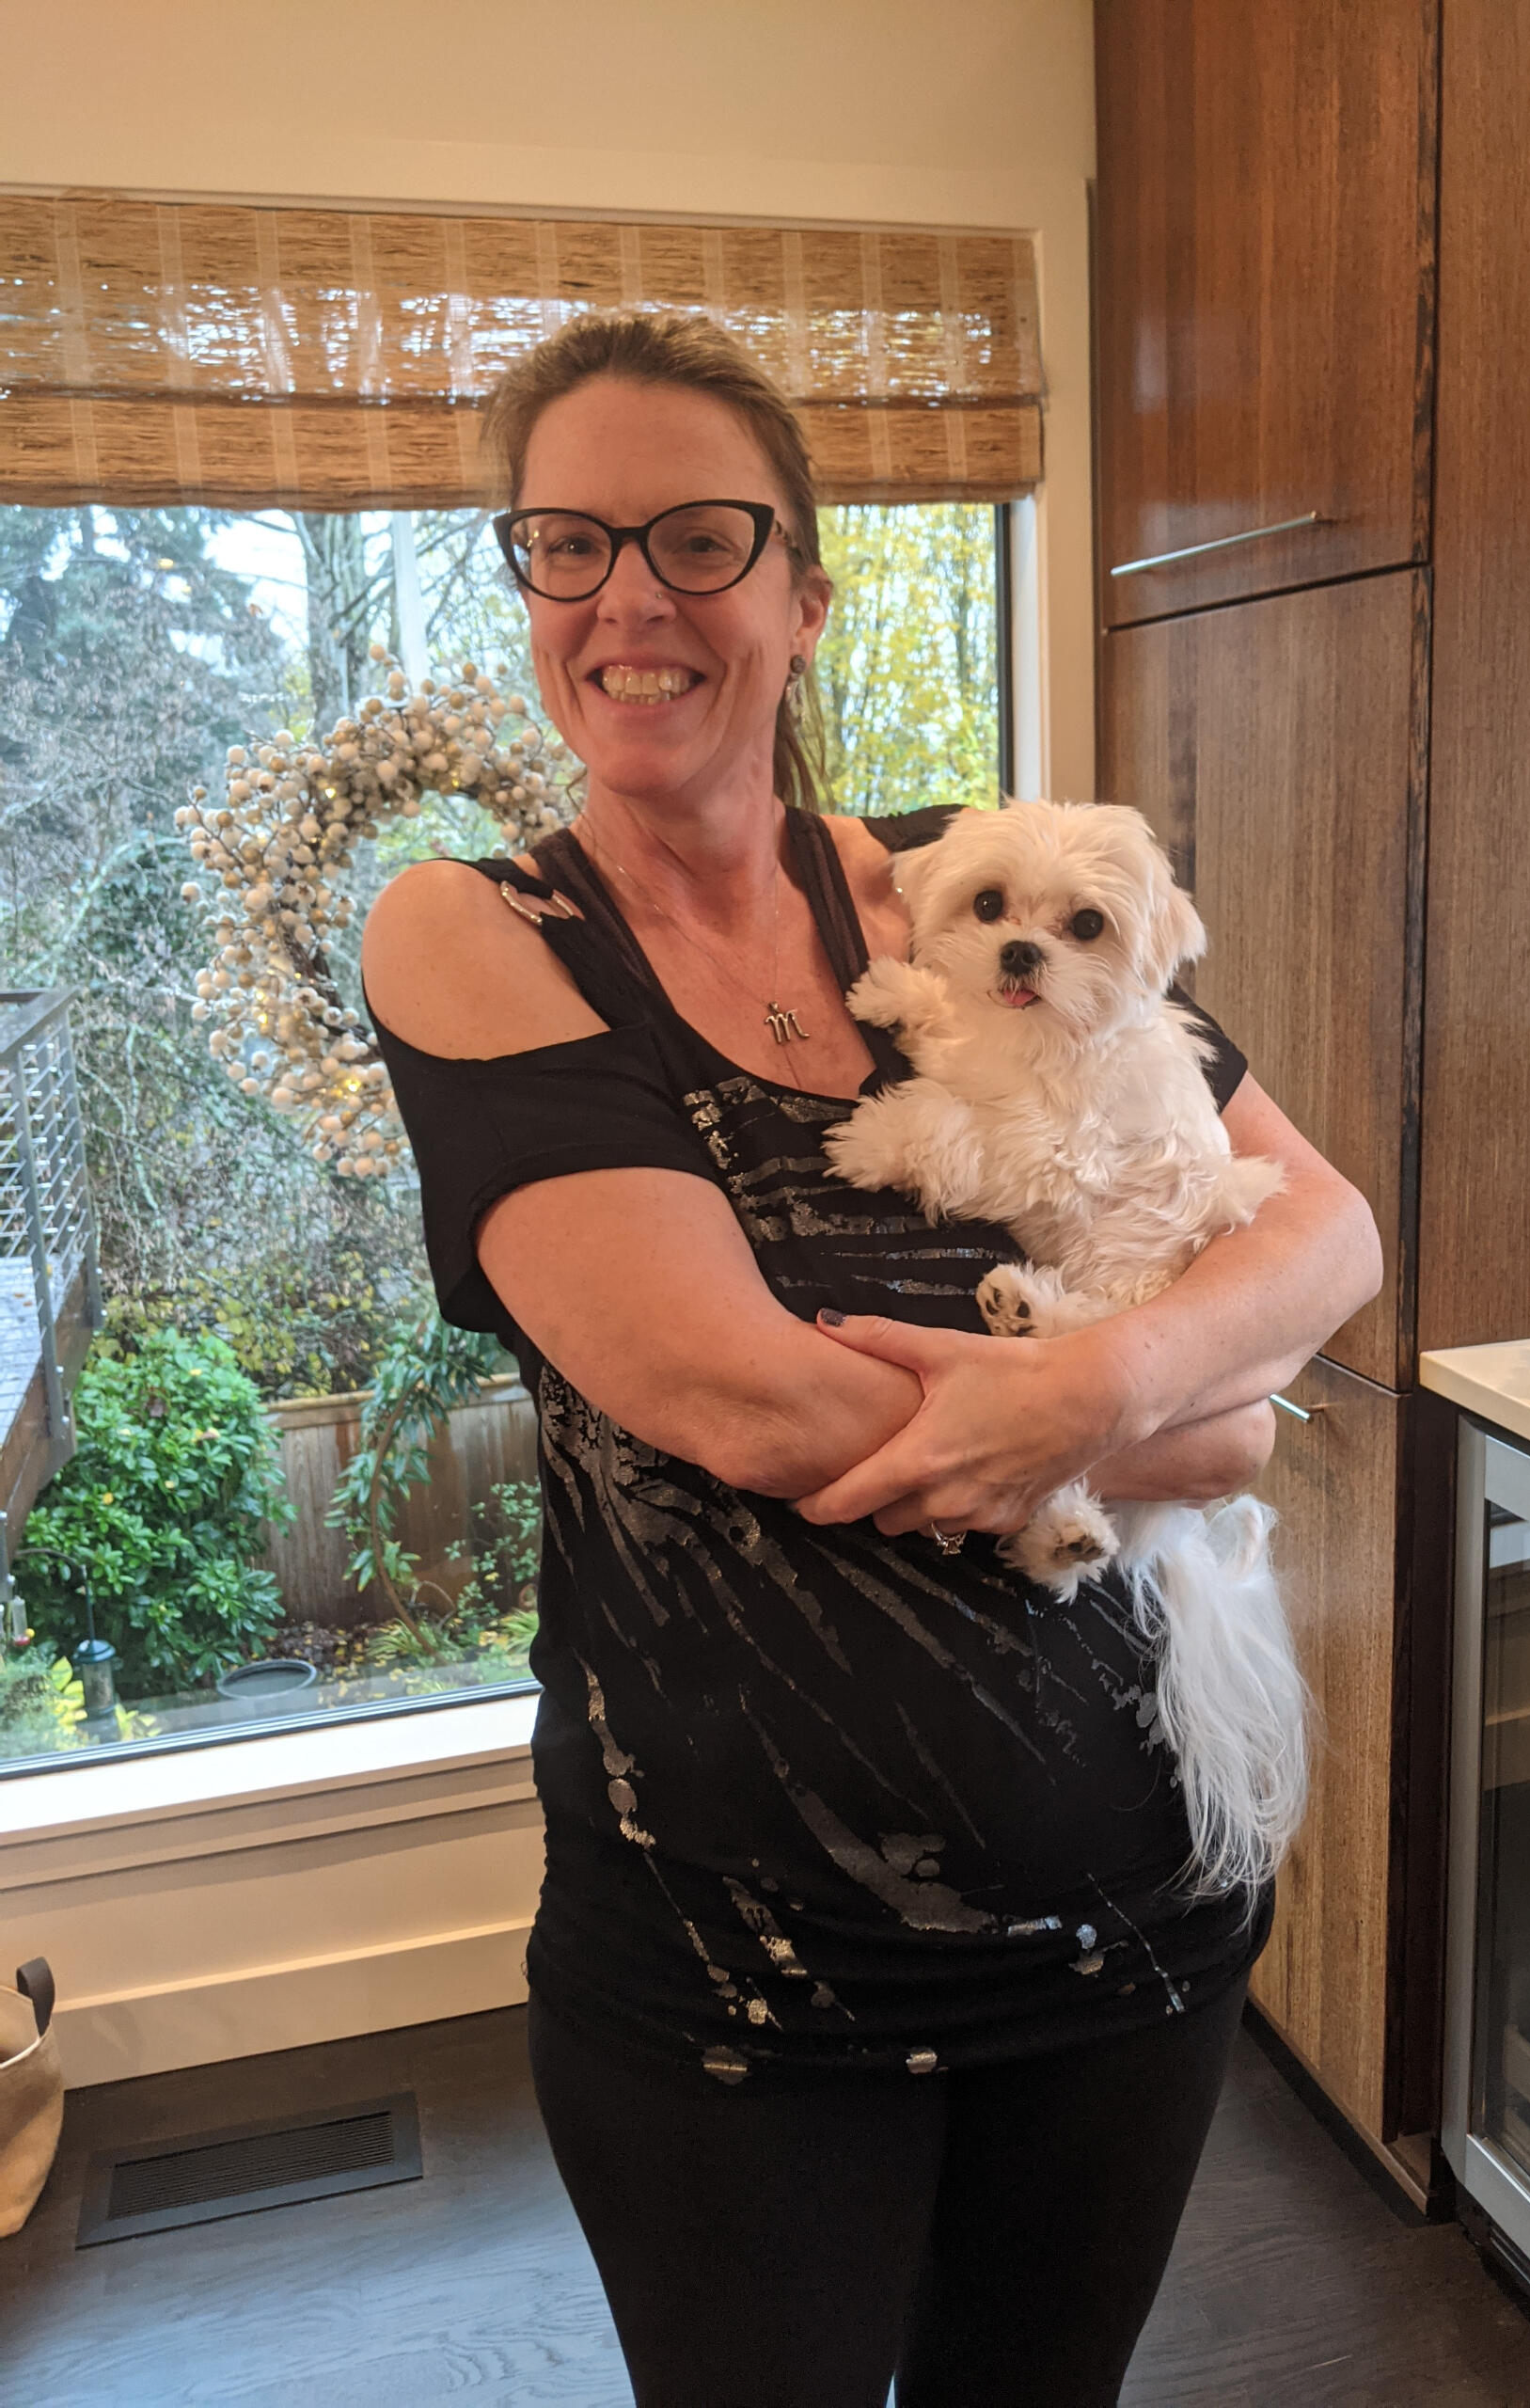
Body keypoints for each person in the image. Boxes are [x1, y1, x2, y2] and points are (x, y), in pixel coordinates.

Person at [361, 309, 1382, 2408]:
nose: (631, 596)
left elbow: (1330, 1228)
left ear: (804, 597)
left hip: (1137, 1923)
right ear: (528, 586)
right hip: (751, 1987)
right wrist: (1182, 1421)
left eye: (700, 537)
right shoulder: (481, 933)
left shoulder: (965, 889)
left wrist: (1107, 1393)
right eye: (569, 543)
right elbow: (743, 1398)